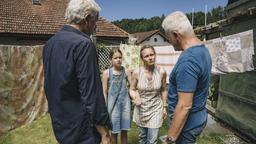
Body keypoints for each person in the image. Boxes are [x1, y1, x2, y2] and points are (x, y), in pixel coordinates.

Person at [43, 0, 112, 143]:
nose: (95, 26)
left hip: (61, 124)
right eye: (95, 21)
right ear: (86, 19)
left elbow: (49, 85)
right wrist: (104, 132)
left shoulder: (49, 44)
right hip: (83, 129)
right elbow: (91, 93)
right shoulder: (84, 44)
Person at [161, 11, 212, 144]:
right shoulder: (203, 49)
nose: (169, 42)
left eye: (168, 38)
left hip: (186, 125)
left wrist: (170, 139)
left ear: (176, 35)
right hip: (198, 117)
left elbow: (184, 106)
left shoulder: (188, 60)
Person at [130, 45, 168, 144]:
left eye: (152, 54)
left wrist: (164, 107)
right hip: (141, 109)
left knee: (152, 140)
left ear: (155, 55)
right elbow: (132, 89)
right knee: (142, 138)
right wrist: (135, 96)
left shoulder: (162, 72)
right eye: (146, 56)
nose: (150, 57)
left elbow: (163, 90)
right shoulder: (137, 72)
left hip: (156, 109)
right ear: (142, 58)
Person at [102, 48, 132, 144]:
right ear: (110, 59)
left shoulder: (126, 72)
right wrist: (105, 107)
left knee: (124, 130)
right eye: (115, 58)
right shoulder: (106, 73)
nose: (118, 59)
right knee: (114, 131)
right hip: (113, 106)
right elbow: (104, 91)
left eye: (120, 57)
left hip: (125, 105)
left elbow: (132, 87)